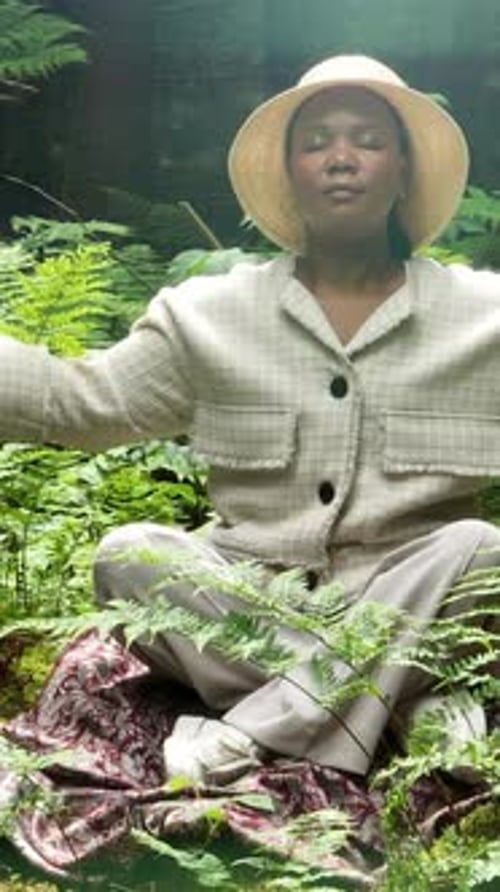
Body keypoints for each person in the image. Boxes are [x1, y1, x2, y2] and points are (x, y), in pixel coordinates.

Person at [0, 54, 498, 784]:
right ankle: (396, 704)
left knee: (482, 550)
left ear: (403, 169)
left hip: (416, 595)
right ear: (290, 172)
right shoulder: (207, 315)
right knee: (130, 553)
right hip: (246, 605)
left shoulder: (488, 317)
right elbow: (83, 405)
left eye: (367, 139)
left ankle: (246, 734)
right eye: (317, 141)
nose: (341, 158)